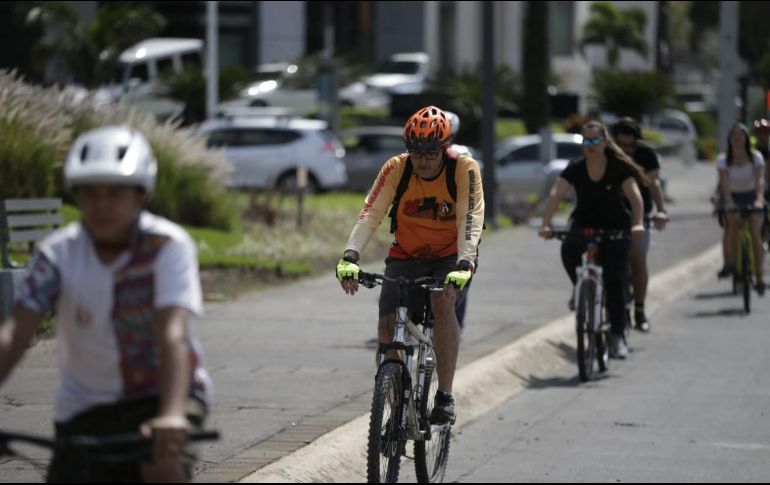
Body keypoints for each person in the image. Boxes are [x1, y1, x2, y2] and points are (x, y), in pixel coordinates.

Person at [0, 126, 211, 483]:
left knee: (161, 467)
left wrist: (172, 414)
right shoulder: (58, 254)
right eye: (90, 193)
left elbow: (171, 334)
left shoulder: (166, 247)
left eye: (115, 193)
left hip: (161, 395)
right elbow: (16, 334)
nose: (101, 205)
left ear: (140, 196)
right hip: (84, 405)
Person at [336, 106, 484, 425]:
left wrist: (465, 262)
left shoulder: (463, 169)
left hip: (450, 255)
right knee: (387, 325)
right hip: (407, 254)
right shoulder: (397, 169)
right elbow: (371, 212)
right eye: (416, 152)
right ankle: (395, 405)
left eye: (431, 153)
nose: (423, 160)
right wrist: (350, 255)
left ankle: (444, 395)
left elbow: (470, 217)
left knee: (442, 302)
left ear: (445, 147)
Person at [539, 120, 647, 359]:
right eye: (585, 141)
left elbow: (635, 196)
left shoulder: (618, 167)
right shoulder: (576, 167)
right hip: (584, 223)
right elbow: (557, 193)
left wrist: (637, 223)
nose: (590, 145)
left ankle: (617, 336)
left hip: (615, 226)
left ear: (605, 142)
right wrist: (546, 223)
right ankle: (580, 286)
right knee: (568, 249)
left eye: (595, 140)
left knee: (614, 280)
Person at [611, 117, 669, 332]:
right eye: (622, 144)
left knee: (638, 261)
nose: (626, 149)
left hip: (639, 213)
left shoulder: (646, 154)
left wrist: (662, 210)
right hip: (613, 214)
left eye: (630, 144)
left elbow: (653, 184)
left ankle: (640, 309)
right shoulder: (608, 153)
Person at [716, 123, 766, 295]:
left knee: (755, 234)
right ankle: (731, 263)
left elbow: (759, 180)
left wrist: (759, 199)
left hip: (752, 196)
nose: (737, 140)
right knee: (733, 225)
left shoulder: (755, 157)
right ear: (729, 140)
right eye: (734, 137)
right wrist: (729, 202)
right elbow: (724, 184)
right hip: (733, 197)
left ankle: (759, 277)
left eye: (741, 137)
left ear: (746, 139)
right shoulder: (723, 160)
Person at [443, 110, 472, 331]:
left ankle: (456, 326)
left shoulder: (463, 155)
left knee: (460, 275)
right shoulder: (418, 155)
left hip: (457, 224)